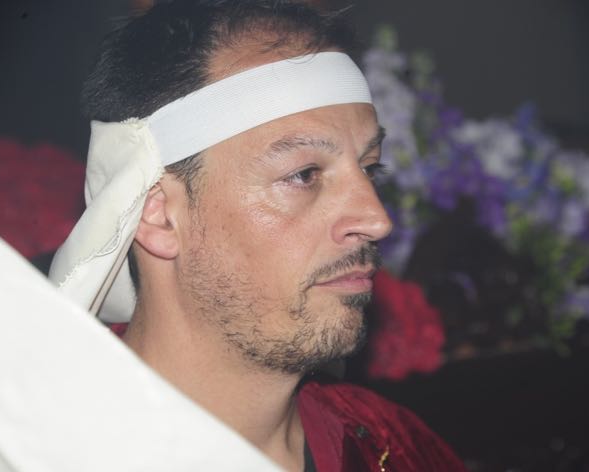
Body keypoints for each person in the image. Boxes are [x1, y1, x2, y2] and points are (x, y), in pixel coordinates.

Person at [49, 1, 466, 470]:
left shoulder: (394, 446)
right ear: (159, 215)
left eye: (370, 169)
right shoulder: (45, 452)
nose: (376, 219)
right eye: (304, 174)